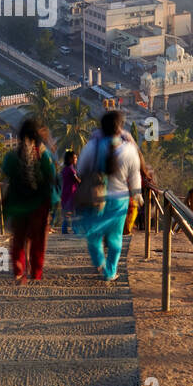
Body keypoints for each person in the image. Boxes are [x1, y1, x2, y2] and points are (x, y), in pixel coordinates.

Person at [76, 109, 142, 281]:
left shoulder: (93, 146)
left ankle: (100, 263)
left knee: (94, 236)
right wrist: (137, 194)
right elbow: (135, 175)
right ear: (120, 127)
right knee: (115, 238)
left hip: (97, 198)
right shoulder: (129, 149)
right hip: (120, 200)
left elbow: (80, 170)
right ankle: (110, 272)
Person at [0, 118, 58, 283]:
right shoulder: (44, 156)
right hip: (39, 206)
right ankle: (36, 274)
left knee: (18, 240)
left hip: (18, 205)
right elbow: (51, 179)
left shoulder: (11, 156)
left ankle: (19, 271)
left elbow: (6, 178)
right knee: (38, 243)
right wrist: (52, 204)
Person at [59, 150, 80, 234]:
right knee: (74, 213)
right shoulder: (71, 169)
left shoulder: (65, 169)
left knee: (67, 214)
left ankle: (64, 230)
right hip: (71, 194)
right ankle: (75, 230)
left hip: (65, 194)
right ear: (71, 159)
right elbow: (77, 180)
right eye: (75, 157)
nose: (76, 159)